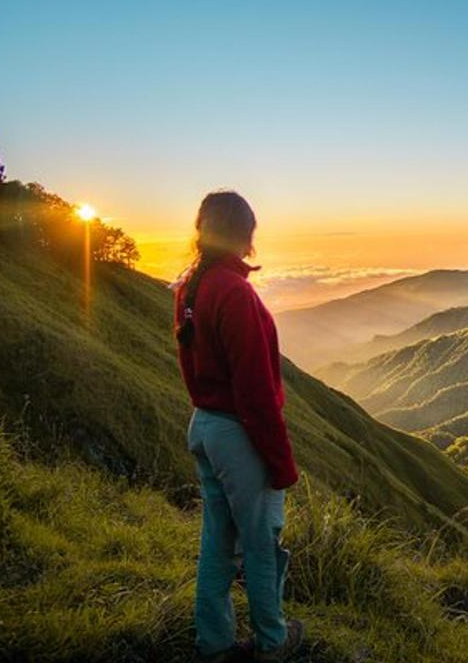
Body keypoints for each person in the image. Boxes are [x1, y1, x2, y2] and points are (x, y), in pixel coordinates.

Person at [173, 190, 304, 663]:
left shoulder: (192, 285)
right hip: (236, 433)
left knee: (217, 542)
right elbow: (255, 392)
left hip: (205, 425)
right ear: (246, 236)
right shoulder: (234, 293)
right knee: (260, 543)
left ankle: (214, 643)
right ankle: (273, 640)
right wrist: (281, 463)